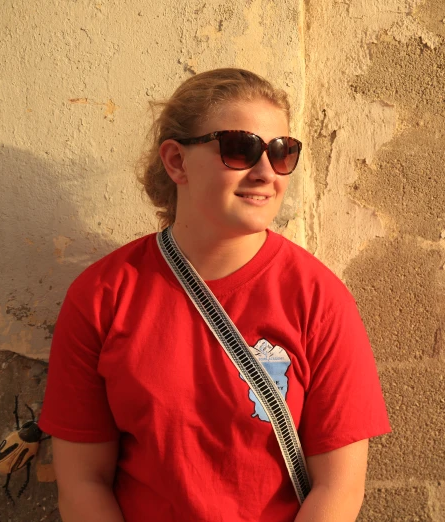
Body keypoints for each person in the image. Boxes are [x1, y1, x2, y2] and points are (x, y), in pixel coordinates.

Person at [39, 68, 391, 522]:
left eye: (283, 153)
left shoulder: (317, 297)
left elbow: (339, 488)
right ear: (176, 162)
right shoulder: (103, 296)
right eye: (240, 149)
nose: (266, 173)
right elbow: (83, 481)